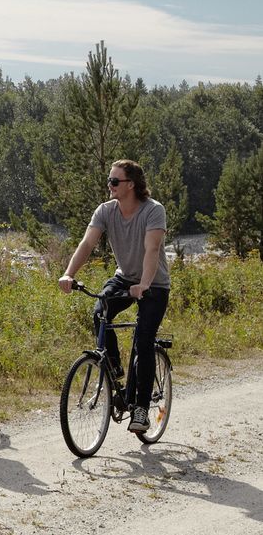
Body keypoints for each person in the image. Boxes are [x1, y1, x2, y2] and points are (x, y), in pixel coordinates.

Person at [58, 159, 170, 434]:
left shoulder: (153, 211)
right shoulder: (106, 211)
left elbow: (152, 250)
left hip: (153, 284)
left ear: (130, 185)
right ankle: (114, 367)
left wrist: (143, 284)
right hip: (124, 277)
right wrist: (69, 273)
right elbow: (87, 243)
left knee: (143, 341)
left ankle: (141, 410)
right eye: (109, 180)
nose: (109, 185)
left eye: (114, 181)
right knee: (99, 312)